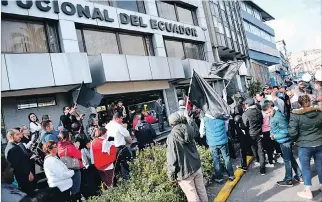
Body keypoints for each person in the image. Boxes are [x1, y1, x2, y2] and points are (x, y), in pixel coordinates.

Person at [166, 112, 208, 202]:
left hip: (184, 171)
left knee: (192, 195)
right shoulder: (189, 129)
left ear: (171, 124)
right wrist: (189, 119)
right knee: (201, 190)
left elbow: (172, 159)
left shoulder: (172, 137)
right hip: (196, 166)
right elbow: (197, 132)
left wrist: (171, 176)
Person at [289, 95, 322, 199]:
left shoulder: (296, 115)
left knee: (306, 168)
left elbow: (292, 132)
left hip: (304, 145)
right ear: (310, 103)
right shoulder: (319, 113)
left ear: (299, 104)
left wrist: (295, 140)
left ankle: (308, 191)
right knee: (320, 166)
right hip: (319, 143)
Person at [262, 101, 303, 187]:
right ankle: (299, 176)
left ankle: (288, 180)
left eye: (269, 112)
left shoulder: (278, 116)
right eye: (266, 113)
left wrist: (275, 136)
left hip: (285, 141)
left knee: (287, 160)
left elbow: (286, 131)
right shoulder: (273, 115)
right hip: (282, 140)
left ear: (272, 108)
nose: (268, 114)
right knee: (290, 158)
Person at [200, 112, 235, 183]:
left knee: (216, 159)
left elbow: (202, 132)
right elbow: (226, 129)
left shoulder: (204, 119)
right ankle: (231, 175)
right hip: (223, 141)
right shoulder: (222, 117)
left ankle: (219, 178)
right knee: (226, 157)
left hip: (212, 143)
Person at [5, 129, 35, 197]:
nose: (20, 136)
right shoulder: (13, 148)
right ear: (10, 136)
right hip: (23, 177)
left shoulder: (12, 146)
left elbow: (21, 159)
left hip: (21, 176)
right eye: (17, 134)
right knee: (30, 194)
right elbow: (19, 164)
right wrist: (29, 173)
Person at [241, 98, 265, 175]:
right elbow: (262, 121)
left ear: (247, 104)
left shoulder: (246, 113)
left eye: (245, 104)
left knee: (245, 149)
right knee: (260, 150)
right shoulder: (258, 111)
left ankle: (244, 166)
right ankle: (262, 169)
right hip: (259, 133)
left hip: (250, 134)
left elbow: (243, 125)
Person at [57, 131, 84, 202]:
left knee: (70, 185)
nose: (70, 137)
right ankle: (76, 198)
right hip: (74, 168)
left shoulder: (59, 145)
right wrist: (76, 147)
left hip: (66, 167)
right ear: (66, 138)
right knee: (76, 186)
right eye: (69, 136)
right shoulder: (70, 147)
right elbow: (79, 155)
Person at [106, 112, 132, 180]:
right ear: (117, 118)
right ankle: (127, 180)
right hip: (120, 148)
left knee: (116, 167)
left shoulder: (107, 126)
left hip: (111, 149)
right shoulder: (119, 126)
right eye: (121, 118)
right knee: (125, 164)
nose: (122, 120)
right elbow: (127, 135)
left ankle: (118, 182)